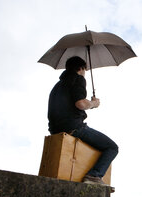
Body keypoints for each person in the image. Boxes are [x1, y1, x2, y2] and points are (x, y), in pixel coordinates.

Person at [47, 56, 118, 185]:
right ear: (81, 68)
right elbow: (81, 103)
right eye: (85, 70)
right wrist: (93, 103)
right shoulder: (78, 79)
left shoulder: (57, 86)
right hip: (73, 127)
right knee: (112, 147)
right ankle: (94, 175)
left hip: (55, 130)